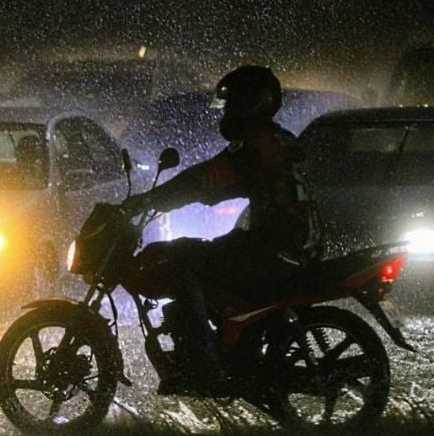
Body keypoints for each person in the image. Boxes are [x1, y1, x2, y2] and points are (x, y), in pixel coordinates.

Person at [121, 65, 322, 390]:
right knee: (206, 251)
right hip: (295, 242)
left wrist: (151, 199)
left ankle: (202, 361)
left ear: (249, 105)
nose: (226, 113)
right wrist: (181, 197)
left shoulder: (255, 147)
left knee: (180, 258)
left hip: (275, 248)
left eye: (231, 105)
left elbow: (206, 178)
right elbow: (222, 186)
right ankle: (231, 346)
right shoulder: (280, 140)